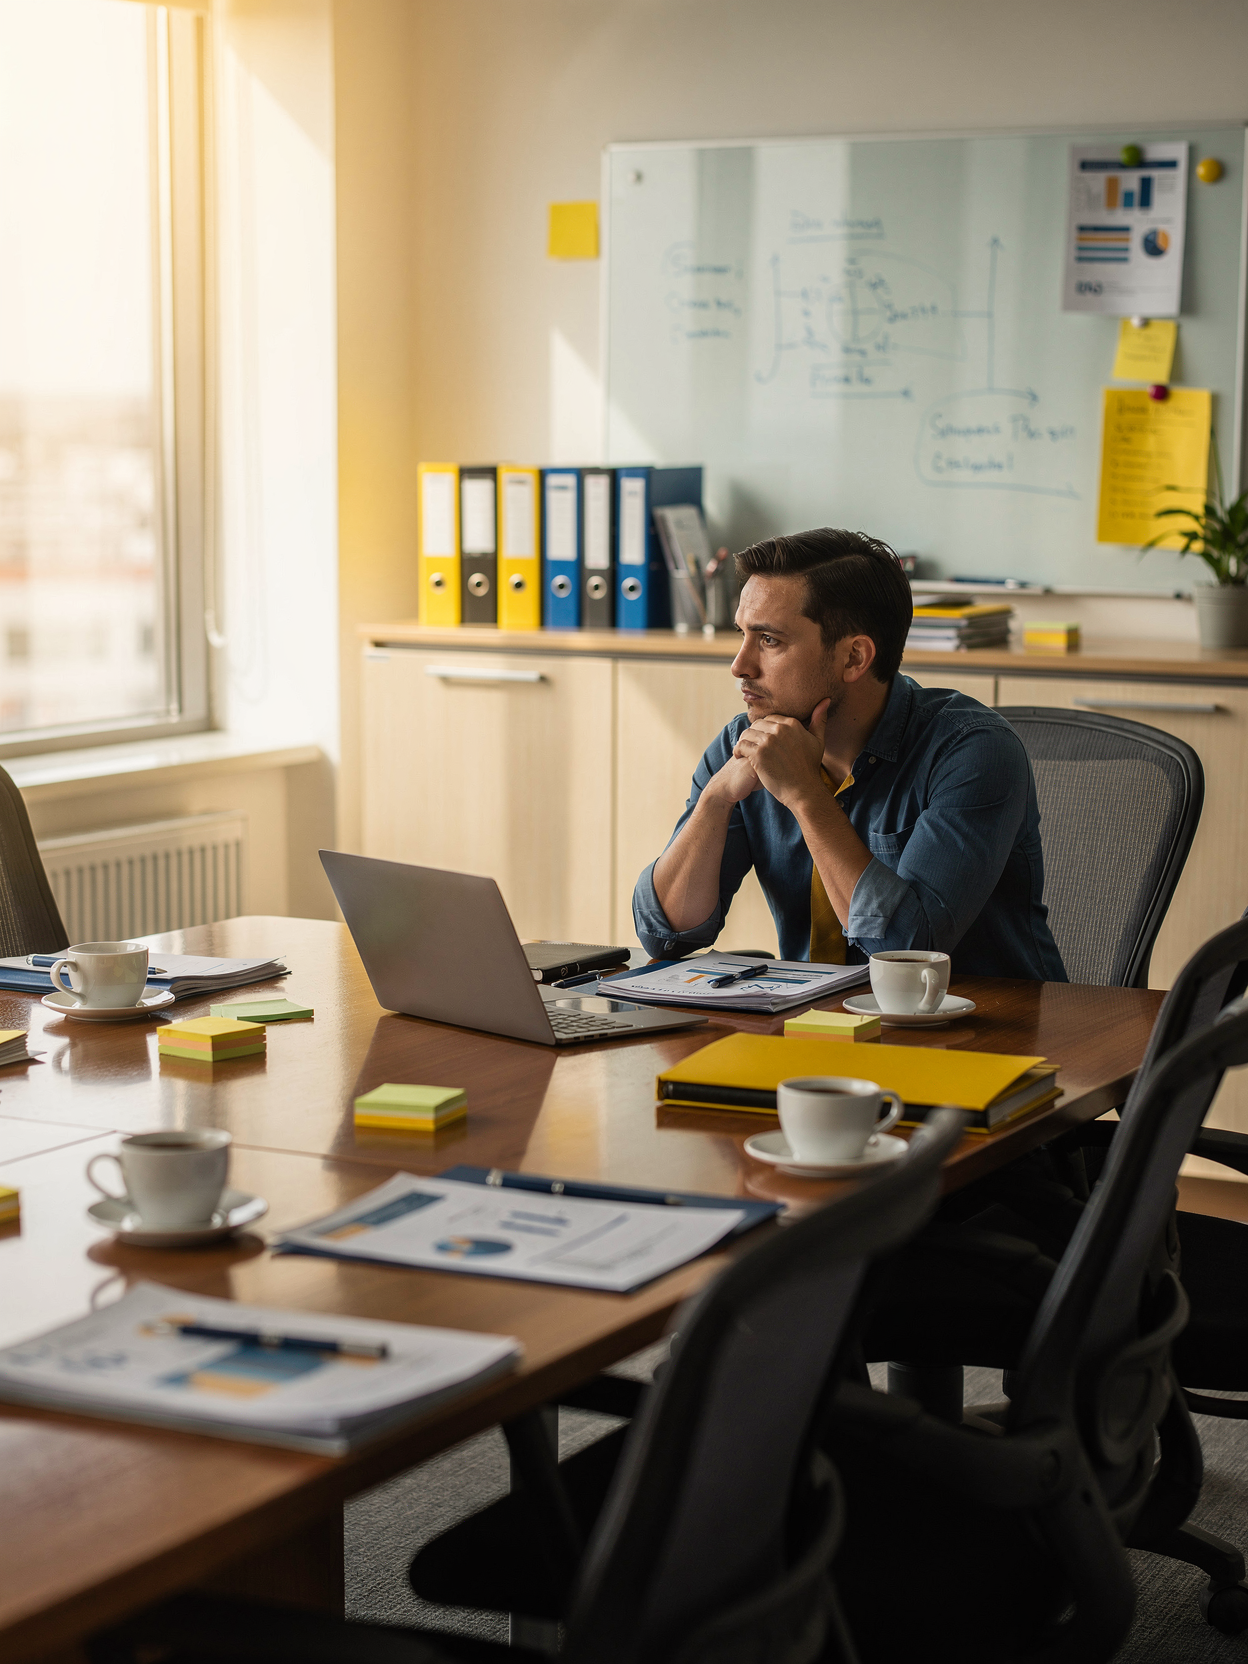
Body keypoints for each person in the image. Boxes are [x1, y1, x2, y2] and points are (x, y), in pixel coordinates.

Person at [633, 527, 1066, 980]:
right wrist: (716, 800)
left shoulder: (973, 752)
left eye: (769, 640)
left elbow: (904, 954)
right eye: (742, 634)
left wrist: (805, 795)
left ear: (855, 658)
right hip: (818, 1015)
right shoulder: (745, 743)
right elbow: (666, 935)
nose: (739, 665)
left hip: (985, 1021)